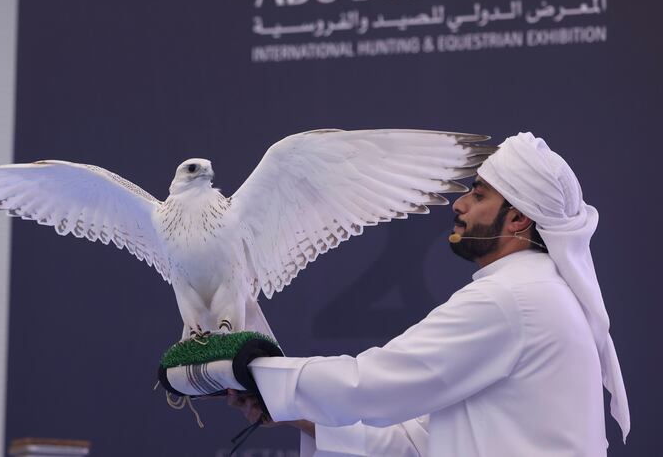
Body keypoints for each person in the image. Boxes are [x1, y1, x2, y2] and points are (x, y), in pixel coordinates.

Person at [228, 132, 629, 456]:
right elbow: (416, 445)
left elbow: (371, 383)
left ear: (519, 217)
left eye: (478, 195)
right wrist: (292, 409)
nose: (460, 204)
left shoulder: (513, 299)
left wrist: (260, 372)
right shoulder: (537, 293)